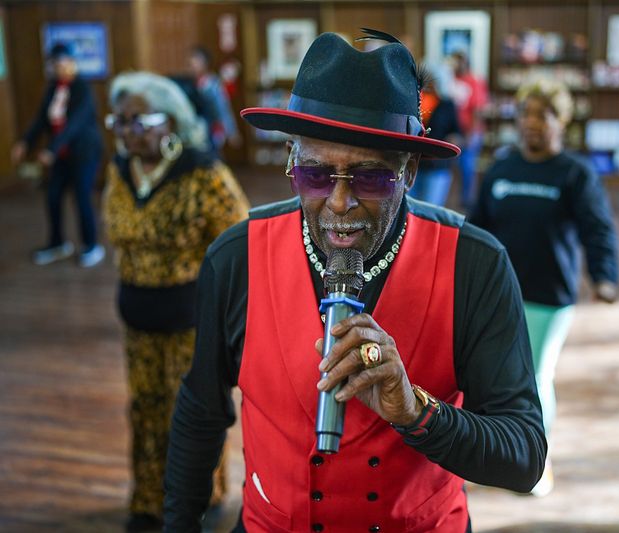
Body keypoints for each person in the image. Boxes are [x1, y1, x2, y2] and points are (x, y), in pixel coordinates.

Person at [164, 29, 546, 532]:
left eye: (370, 177)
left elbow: (523, 456)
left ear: (409, 171)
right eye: (316, 175)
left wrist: (415, 410)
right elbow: (201, 411)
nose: (339, 203)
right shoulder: (237, 258)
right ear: (291, 162)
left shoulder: (475, 264)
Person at [102, 72, 250, 532]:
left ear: (172, 123)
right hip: (137, 316)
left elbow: (237, 244)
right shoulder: (120, 171)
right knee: (144, 408)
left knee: (190, 411)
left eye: (139, 120)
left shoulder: (203, 174)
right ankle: (148, 499)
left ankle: (199, 498)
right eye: (120, 121)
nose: (128, 132)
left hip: (189, 321)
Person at [469, 79, 619, 497]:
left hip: (548, 296)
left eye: (543, 115)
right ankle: (491, 451)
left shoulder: (575, 174)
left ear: (562, 121)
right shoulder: (501, 169)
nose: (532, 124)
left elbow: (597, 229)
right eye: (526, 115)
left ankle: (536, 460)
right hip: (499, 294)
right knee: (486, 376)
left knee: (533, 378)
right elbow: (477, 227)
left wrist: (604, 275)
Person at [10, 42, 105, 267]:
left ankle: (91, 246)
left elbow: (75, 124)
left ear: (72, 63)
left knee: (82, 198)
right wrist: (25, 142)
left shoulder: (83, 88)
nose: (60, 67)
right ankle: (57, 243)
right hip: (61, 156)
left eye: (64, 62)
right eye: (56, 63)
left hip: (84, 153)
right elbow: (42, 119)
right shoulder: (53, 88)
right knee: (52, 196)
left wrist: (51, 149)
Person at [408, 61, 462, 206]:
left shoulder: (447, 104)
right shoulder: (415, 99)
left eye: (431, 78)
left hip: (437, 165)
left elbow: (456, 131)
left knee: (430, 207)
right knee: (409, 206)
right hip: (413, 162)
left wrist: (452, 142)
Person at [450, 50, 489, 209]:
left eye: (458, 61)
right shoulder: (451, 80)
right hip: (455, 132)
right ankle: (453, 201)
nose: (455, 64)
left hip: (471, 132)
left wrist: (471, 134)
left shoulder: (474, 81)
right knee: (453, 168)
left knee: (467, 167)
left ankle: (467, 203)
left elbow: (477, 109)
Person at [188, 45, 242, 155]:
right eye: (190, 63)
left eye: (195, 62)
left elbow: (223, 107)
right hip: (197, 128)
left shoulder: (213, 84)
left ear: (205, 63)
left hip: (212, 129)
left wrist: (232, 131)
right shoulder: (191, 83)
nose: (192, 66)